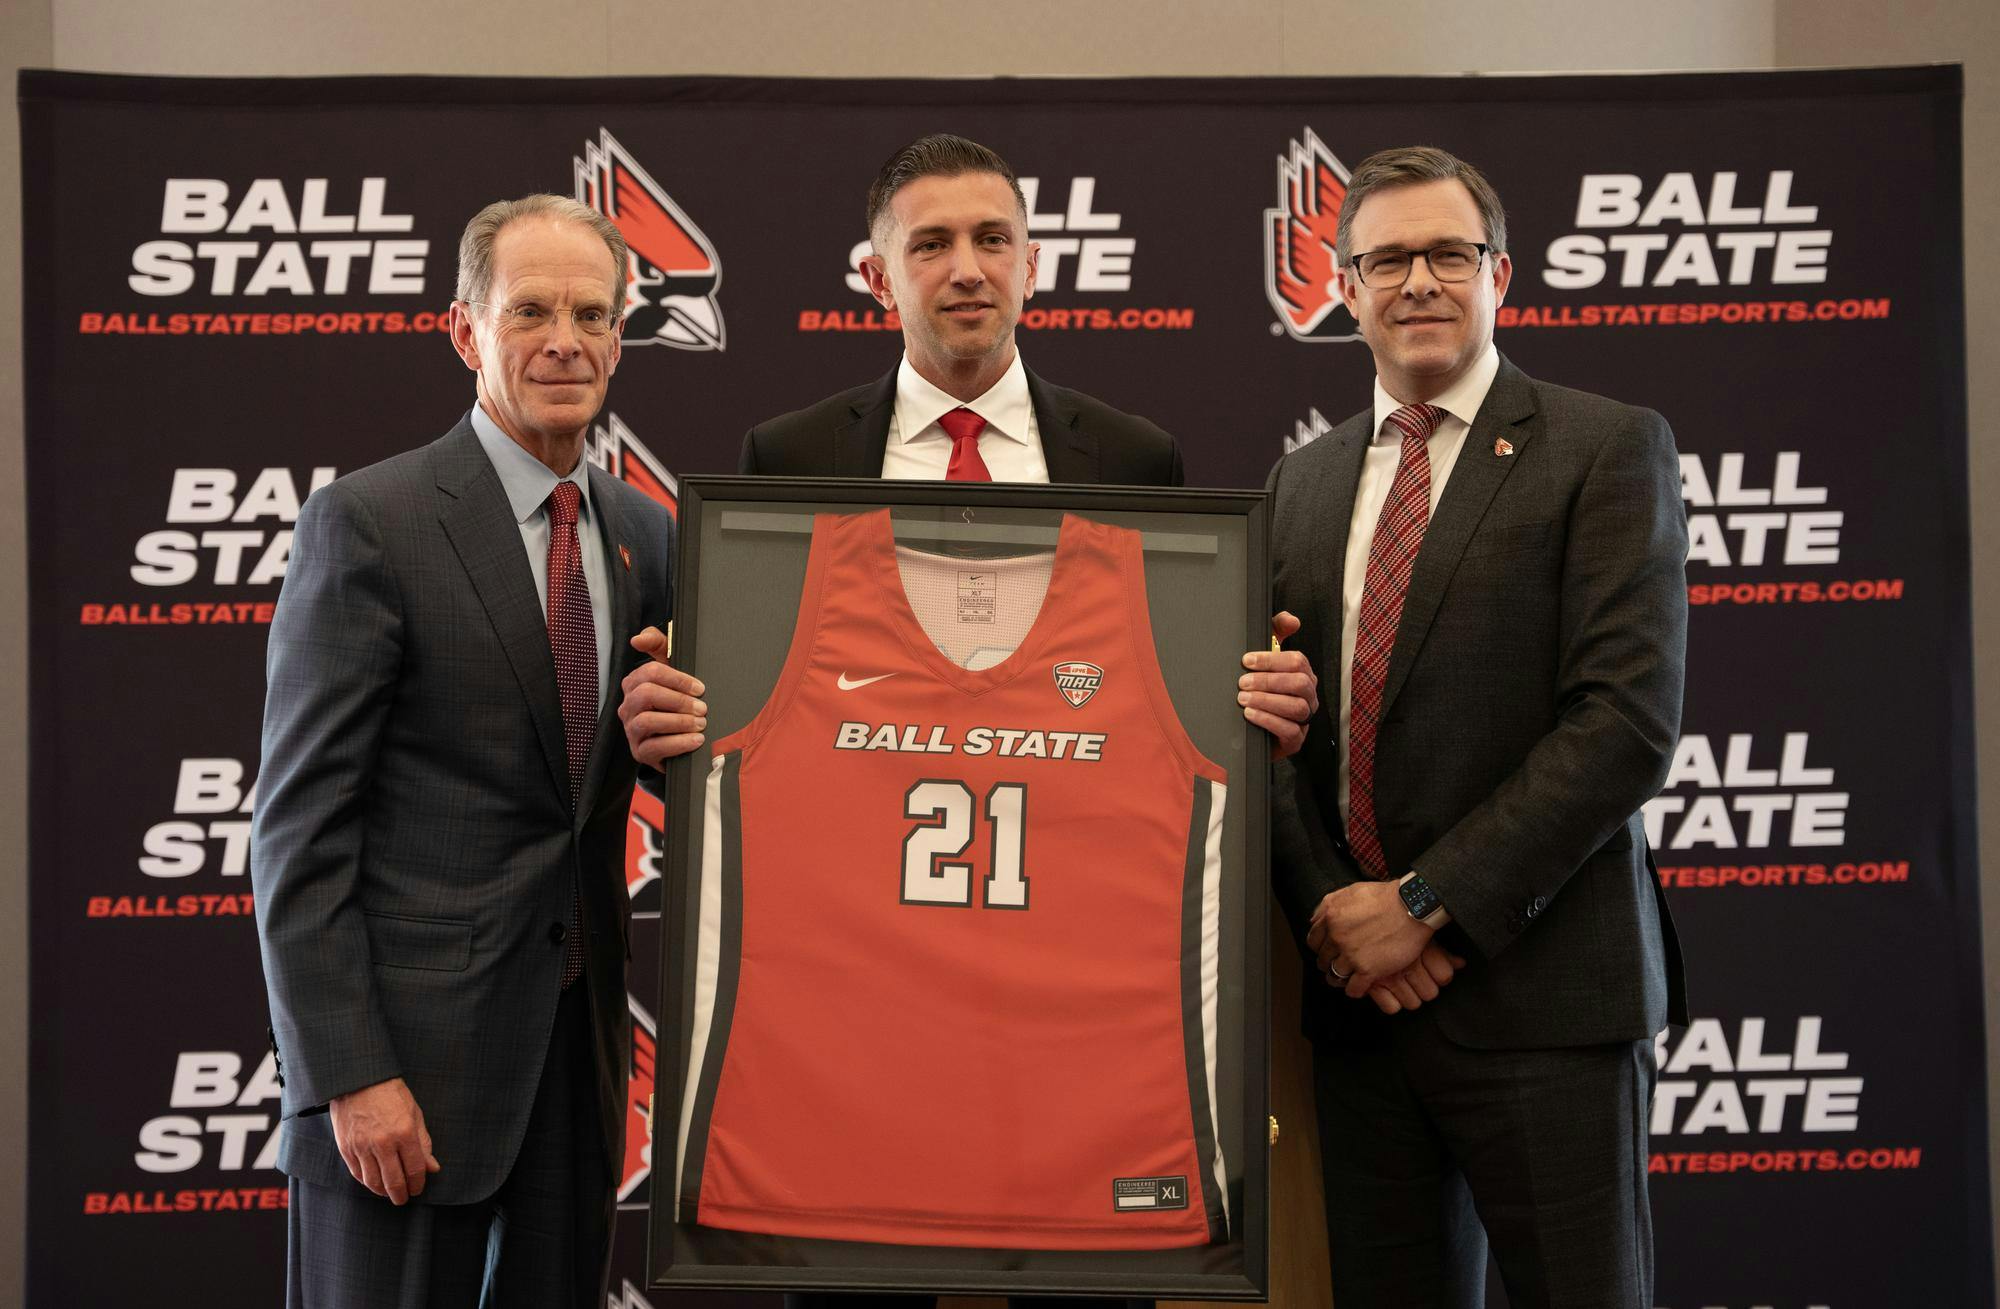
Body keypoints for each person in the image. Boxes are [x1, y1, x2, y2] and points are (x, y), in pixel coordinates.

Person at [617, 134, 1316, 1309]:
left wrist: (1257, 711)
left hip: (1074, 1043)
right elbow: (731, 708)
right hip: (854, 1044)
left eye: (991, 239)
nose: (965, 268)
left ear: (1032, 264)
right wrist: (670, 714)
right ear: (873, 272)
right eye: (928, 243)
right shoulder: (785, 461)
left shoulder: (1137, 461)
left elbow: (1176, 700)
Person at [1264, 146, 1688, 1309]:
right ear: (1342, 288)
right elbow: (1263, 735)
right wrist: (1336, 921)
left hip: (1544, 1000)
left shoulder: (1603, 446)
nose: (1418, 282)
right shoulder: (1298, 484)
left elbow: (1622, 722)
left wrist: (1419, 905)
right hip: (1360, 1019)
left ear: (1500, 273)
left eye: (1446, 253)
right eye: (1385, 259)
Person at [251, 194, 691, 1308]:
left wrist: (678, 745)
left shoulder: (649, 535)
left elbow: (654, 772)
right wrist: (348, 1075)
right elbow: (298, 836)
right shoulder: (369, 522)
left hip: (573, 1073)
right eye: (530, 310)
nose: (564, 340)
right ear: (465, 332)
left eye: (593, 315)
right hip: (404, 1082)